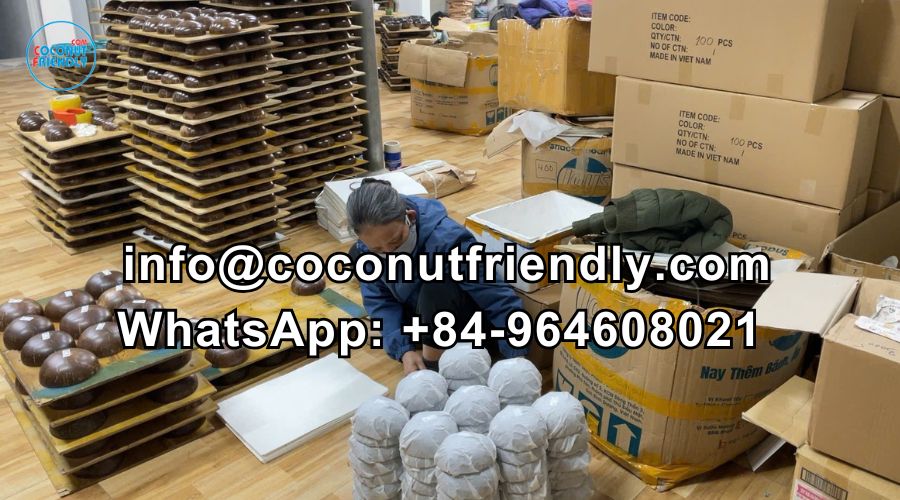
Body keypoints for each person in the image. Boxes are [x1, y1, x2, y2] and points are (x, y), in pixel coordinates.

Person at [346, 178, 528, 374]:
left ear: (410, 217)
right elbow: (380, 302)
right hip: (417, 315)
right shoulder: (366, 250)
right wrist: (404, 350)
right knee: (356, 256)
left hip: (461, 320)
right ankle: (418, 350)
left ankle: (432, 363)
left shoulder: (449, 240)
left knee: (436, 284)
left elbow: (495, 297)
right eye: (378, 249)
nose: (389, 252)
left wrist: (516, 356)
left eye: (396, 241)